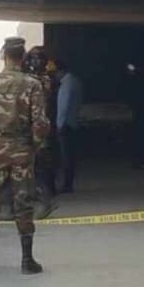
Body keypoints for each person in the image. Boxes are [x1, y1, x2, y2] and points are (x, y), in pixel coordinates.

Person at [0, 37, 48, 275]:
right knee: (23, 202)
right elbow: (41, 123)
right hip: (22, 149)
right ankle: (27, 261)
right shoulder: (32, 84)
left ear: (4, 55)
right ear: (23, 56)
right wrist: (34, 146)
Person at [23, 46, 60, 211]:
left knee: (42, 164)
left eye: (39, 58)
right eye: (33, 58)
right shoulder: (29, 77)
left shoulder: (46, 79)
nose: (35, 61)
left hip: (42, 125)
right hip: (30, 125)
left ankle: (46, 199)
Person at [54, 59, 83, 194]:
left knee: (66, 157)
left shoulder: (66, 84)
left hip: (65, 125)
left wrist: (59, 125)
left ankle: (66, 185)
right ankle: (68, 183)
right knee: (70, 156)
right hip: (73, 122)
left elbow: (63, 106)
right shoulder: (75, 81)